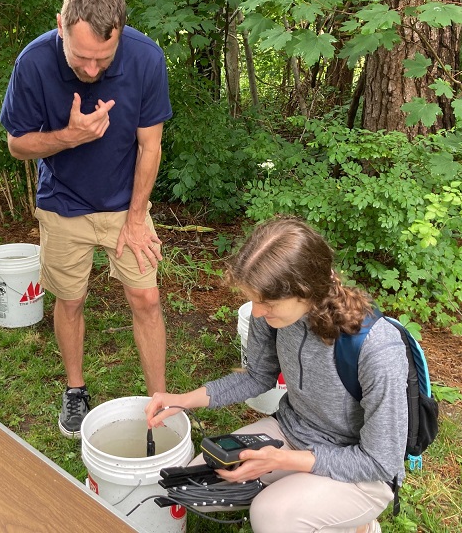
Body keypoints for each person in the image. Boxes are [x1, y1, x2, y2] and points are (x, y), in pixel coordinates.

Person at [145, 217, 407, 533]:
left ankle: (358, 526)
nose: (256, 312)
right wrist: (183, 401)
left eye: (266, 302)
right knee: (193, 483)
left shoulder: (377, 348)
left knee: (271, 514)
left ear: (305, 290)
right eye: (254, 299)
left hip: (361, 471)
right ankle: (306, 501)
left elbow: (380, 463)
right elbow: (257, 375)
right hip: (292, 432)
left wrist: (281, 462)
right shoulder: (271, 316)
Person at [0, 0, 172, 438]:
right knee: (70, 299)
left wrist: (137, 219)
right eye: (81, 57)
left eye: (104, 57)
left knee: (147, 296)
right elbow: (17, 144)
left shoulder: (146, 58)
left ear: (121, 33)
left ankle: (160, 399)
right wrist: (70, 137)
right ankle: (75, 390)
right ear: (60, 25)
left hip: (125, 205)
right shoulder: (33, 62)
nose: (93, 68)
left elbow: (150, 146)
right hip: (63, 204)